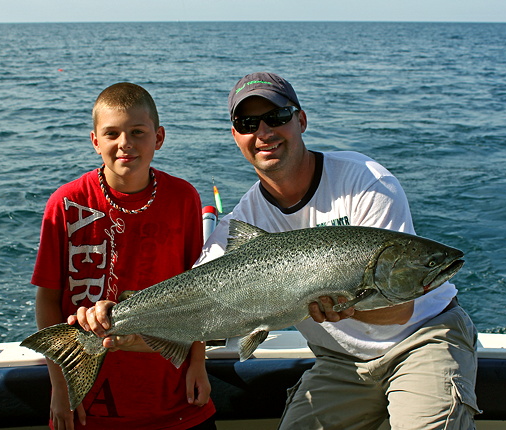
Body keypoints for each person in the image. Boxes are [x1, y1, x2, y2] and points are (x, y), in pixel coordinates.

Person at [196, 72, 481, 429]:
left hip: (422, 339)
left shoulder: (364, 180)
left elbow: (399, 311)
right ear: (235, 135)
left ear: (301, 120)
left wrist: (344, 308)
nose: (264, 132)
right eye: (248, 123)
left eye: (278, 117)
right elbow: (193, 298)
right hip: (341, 360)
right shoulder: (243, 219)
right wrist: (125, 321)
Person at [33, 82, 216, 430]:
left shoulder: (183, 197)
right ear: (95, 141)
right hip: (89, 400)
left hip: (176, 395)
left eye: (137, 132)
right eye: (112, 133)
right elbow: (48, 299)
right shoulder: (65, 203)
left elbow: (200, 291)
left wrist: (198, 362)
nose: (125, 143)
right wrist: (60, 387)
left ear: (158, 138)